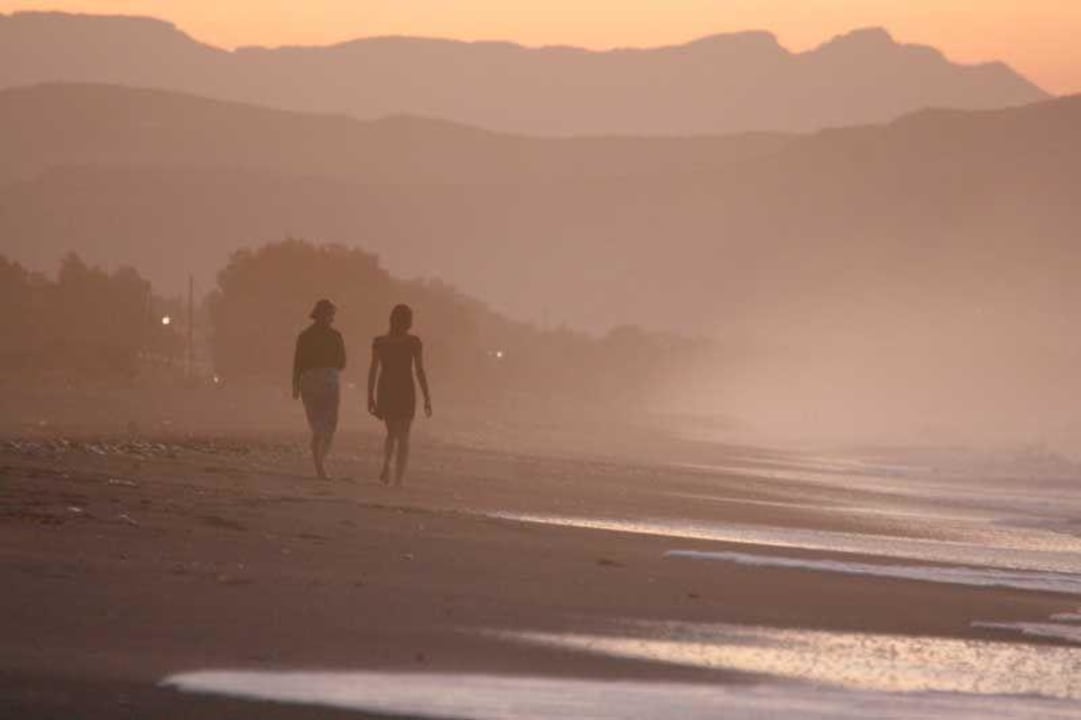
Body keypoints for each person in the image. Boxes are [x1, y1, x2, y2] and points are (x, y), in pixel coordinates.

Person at [368, 303, 432, 485]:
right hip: (405, 388)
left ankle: (387, 464)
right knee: (404, 436)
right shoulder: (413, 342)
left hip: (386, 387)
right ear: (408, 322)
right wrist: (427, 396)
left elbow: (373, 370)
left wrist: (369, 396)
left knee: (391, 433)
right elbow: (419, 370)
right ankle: (399, 479)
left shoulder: (380, 341)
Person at [293, 299, 346, 479]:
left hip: (312, 379)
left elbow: (298, 363)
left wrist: (295, 385)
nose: (329, 318)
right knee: (325, 426)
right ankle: (320, 466)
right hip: (326, 379)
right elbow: (341, 363)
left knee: (323, 426)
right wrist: (295, 385)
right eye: (329, 314)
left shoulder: (306, 336)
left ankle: (319, 463)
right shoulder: (333, 336)